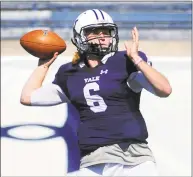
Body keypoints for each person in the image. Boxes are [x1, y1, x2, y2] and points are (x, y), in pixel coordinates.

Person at [20, 9, 172, 176]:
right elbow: (28, 97)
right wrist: (44, 63)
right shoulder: (70, 73)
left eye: (106, 31)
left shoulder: (125, 61)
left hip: (133, 159)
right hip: (94, 160)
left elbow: (164, 89)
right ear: (80, 36)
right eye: (94, 31)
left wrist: (136, 58)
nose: (102, 36)